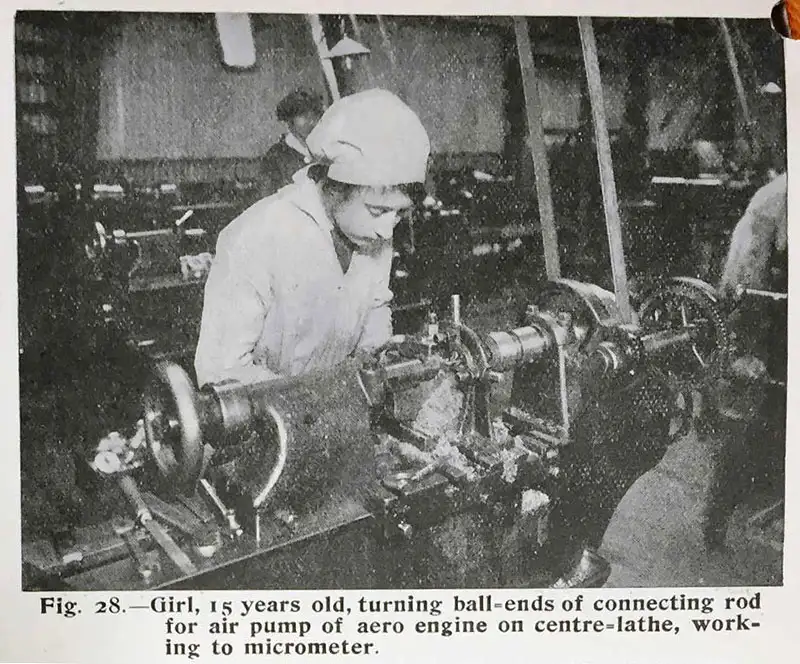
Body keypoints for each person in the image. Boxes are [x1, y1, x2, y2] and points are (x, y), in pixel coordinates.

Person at [195, 88, 430, 387]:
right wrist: (313, 402)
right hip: (267, 417)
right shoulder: (256, 235)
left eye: (398, 214)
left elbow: (374, 306)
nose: (386, 230)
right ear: (335, 187)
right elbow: (221, 372)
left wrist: (375, 362)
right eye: (377, 210)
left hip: (339, 405)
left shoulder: (370, 234)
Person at [701, 171, 787, 549]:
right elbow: (741, 290)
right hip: (756, 303)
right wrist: (742, 352)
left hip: (769, 303)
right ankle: (715, 524)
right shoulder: (772, 204)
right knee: (742, 417)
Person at [259, 89, 325, 198]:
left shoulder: (329, 147)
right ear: (290, 123)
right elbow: (266, 201)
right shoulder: (276, 157)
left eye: (316, 114)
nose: (312, 120)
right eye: (304, 115)